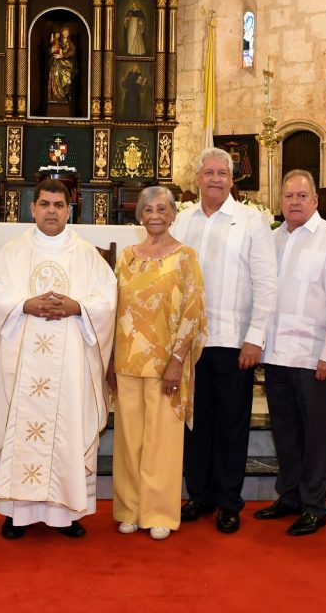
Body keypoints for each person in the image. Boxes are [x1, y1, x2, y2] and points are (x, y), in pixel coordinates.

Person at [0, 179, 116, 539]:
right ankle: (16, 512)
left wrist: (78, 307)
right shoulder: (13, 251)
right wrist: (23, 304)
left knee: (67, 427)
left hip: (70, 359)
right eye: (45, 204)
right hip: (21, 358)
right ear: (33, 208)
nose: (51, 211)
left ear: (70, 209)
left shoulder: (86, 254)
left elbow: (107, 298)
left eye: (58, 205)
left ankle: (65, 513)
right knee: (19, 428)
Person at [170, 147, 276, 534]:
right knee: (196, 424)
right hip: (192, 344)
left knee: (232, 424)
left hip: (234, 342)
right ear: (197, 178)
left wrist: (255, 338)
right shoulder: (182, 223)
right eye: (208, 172)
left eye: (222, 173)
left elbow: (266, 284)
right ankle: (200, 494)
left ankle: (230, 500)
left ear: (232, 181)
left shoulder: (251, 222)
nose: (215, 178)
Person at [255, 170, 326, 536]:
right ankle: (290, 496)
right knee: (286, 433)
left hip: (316, 358)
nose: (294, 202)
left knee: (316, 436)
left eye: (301, 196)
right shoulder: (271, 240)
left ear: (314, 200)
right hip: (279, 356)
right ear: (280, 202)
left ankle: (315, 504)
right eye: (288, 196)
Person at [108, 186, 206, 541]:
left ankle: (160, 511)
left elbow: (193, 312)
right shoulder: (128, 258)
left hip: (167, 363)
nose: (155, 214)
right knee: (129, 440)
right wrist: (109, 360)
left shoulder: (185, 257)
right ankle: (129, 509)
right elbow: (114, 309)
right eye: (148, 208)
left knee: (163, 441)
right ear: (140, 215)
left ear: (173, 214)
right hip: (128, 360)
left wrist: (178, 360)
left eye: (162, 208)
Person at [48, 26, 77, 103]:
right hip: (57, 64)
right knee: (56, 79)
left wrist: (63, 55)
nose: (65, 33)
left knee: (67, 82)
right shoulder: (58, 41)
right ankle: (56, 97)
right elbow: (51, 49)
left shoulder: (70, 43)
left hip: (66, 65)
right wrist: (52, 51)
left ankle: (65, 97)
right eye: (64, 32)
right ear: (61, 33)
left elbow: (72, 52)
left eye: (67, 32)